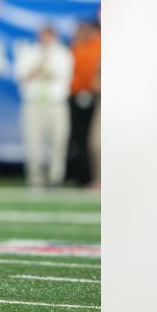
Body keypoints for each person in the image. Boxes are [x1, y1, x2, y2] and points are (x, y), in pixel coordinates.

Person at [15, 24, 73, 188]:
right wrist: (40, 65)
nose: (46, 39)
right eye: (43, 35)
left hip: (56, 104)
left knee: (58, 141)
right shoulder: (29, 52)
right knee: (33, 142)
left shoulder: (63, 53)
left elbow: (63, 76)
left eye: (49, 35)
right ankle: (35, 178)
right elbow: (23, 77)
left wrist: (45, 68)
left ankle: (56, 178)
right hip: (34, 103)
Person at [66, 19, 101, 187]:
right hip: (76, 96)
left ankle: (94, 177)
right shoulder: (76, 47)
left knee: (94, 140)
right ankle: (84, 177)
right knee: (79, 139)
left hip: (95, 97)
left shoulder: (99, 46)